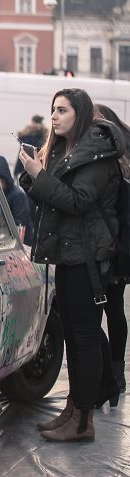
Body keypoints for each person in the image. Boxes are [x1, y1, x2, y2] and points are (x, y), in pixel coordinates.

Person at [18, 88, 123, 442]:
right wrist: (32, 176)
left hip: (88, 258)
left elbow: (77, 201)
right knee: (75, 339)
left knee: (85, 337)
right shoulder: (68, 150)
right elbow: (55, 201)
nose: (54, 116)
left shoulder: (95, 153)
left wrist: (40, 175)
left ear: (80, 113)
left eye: (62, 110)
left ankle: (82, 421)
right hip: (69, 253)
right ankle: (73, 410)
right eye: (53, 110)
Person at [95, 104, 130, 398]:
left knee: (98, 312)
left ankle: (109, 376)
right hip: (120, 247)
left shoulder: (112, 160)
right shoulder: (123, 156)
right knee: (114, 310)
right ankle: (116, 375)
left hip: (110, 247)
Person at [0, 155, 33, 246]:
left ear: (5, 179)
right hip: (4, 241)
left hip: (22, 244)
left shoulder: (18, 196)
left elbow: (19, 224)